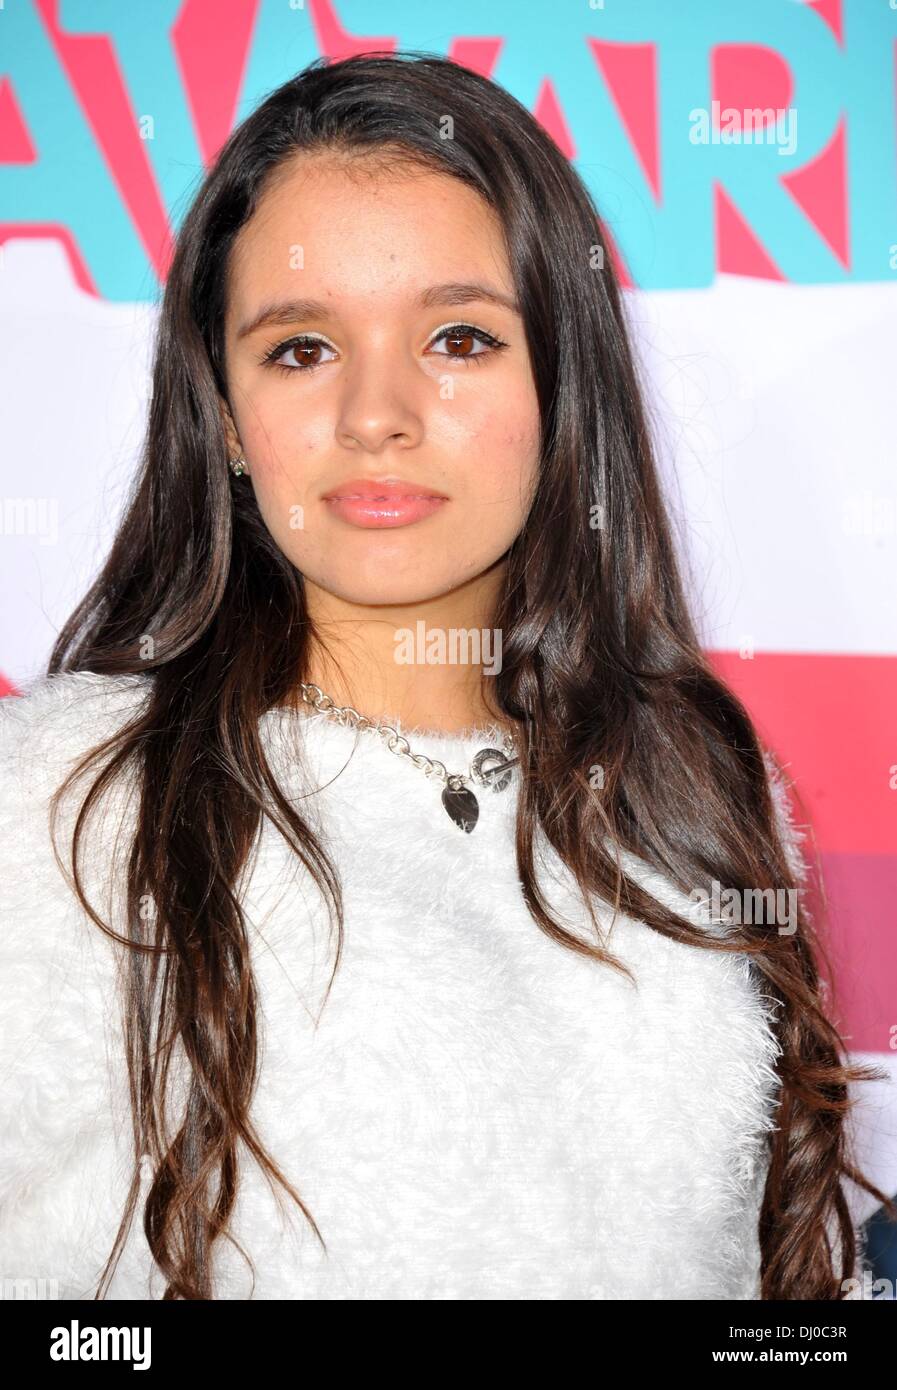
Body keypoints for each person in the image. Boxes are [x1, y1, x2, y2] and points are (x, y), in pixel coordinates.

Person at [0, 51, 892, 1302]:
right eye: (301, 348)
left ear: (558, 387)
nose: (377, 412)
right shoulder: (64, 801)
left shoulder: (681, 788)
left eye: (458, 337)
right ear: (225, 415)